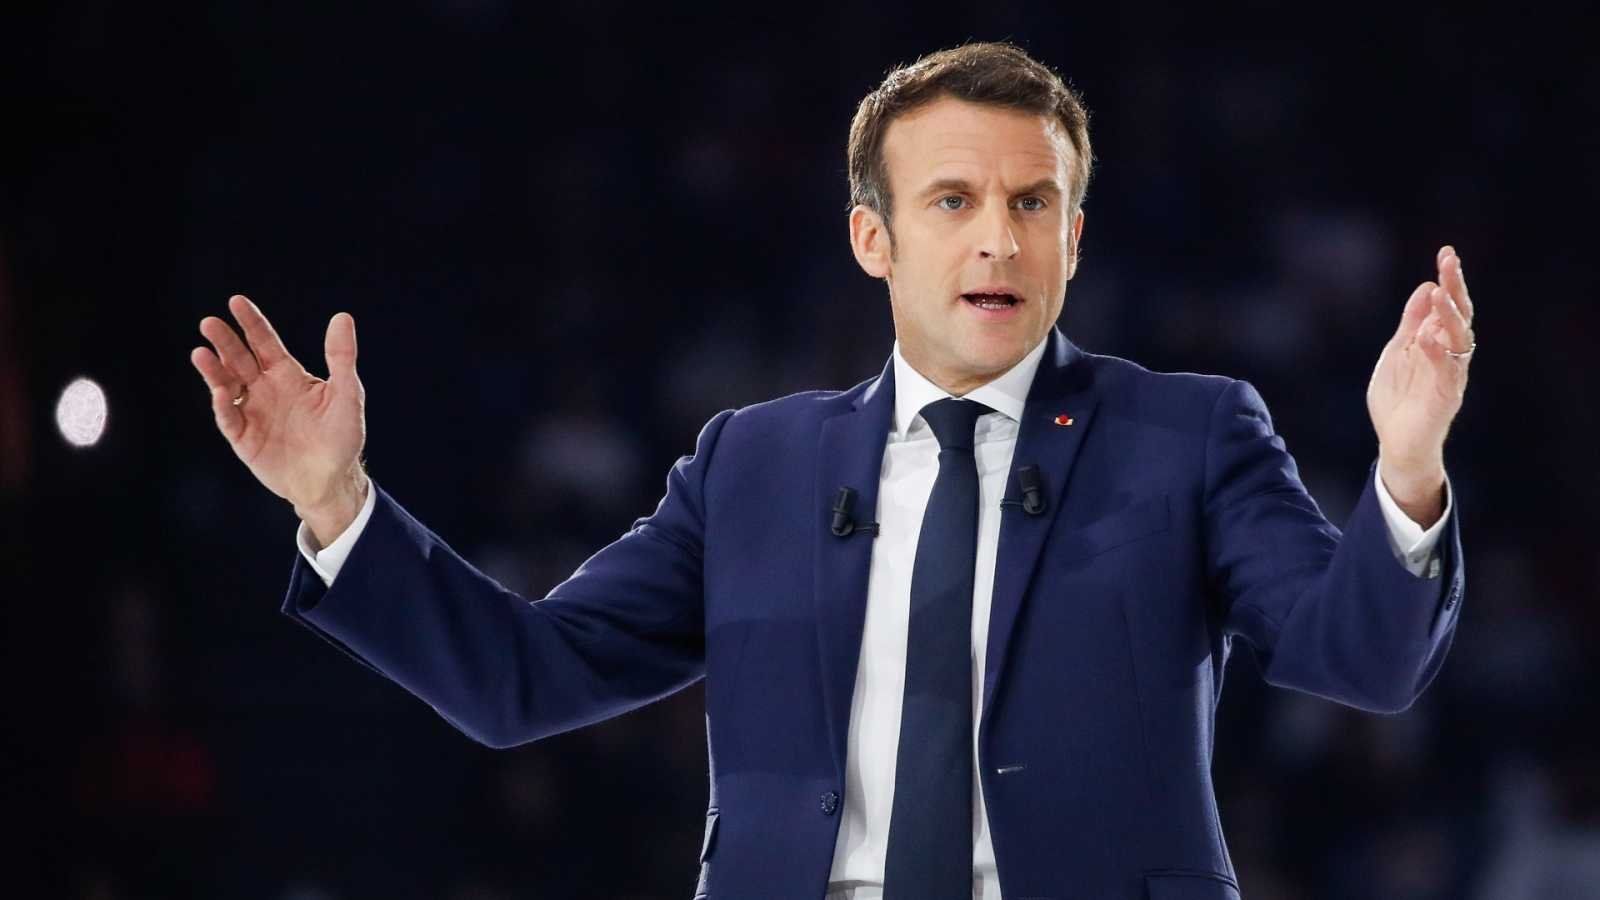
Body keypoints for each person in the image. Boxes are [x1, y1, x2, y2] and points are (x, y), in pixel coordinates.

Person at [189, 42, 1473, 900]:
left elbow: (1359, 660)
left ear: (1074, 239)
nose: (998, 238)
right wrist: (334, 504)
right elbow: (522, 680)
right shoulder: (751, 465)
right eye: (953, 200)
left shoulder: (1189, 435)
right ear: (873, 237)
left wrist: (1407, 466)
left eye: (1032, 203)